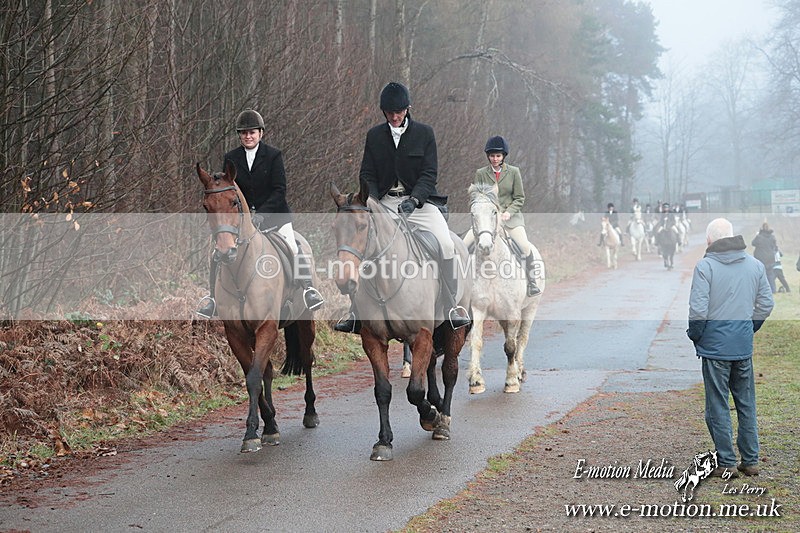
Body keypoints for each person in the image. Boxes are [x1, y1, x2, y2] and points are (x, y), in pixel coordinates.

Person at [334, 82, 470, 332]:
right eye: (389, 113)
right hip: (384, 203)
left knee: (447, 243)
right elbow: (367, 172)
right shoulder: (374, 136)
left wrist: (415, 200)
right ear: (383, 111)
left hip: (420, 203)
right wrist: (372, 201)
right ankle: (355, 311)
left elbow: (429, 174)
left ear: (407, 109)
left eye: (398, 112)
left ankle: (452, 307)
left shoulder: (424, 133)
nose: (394, 117)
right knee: (363, 244)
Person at [197, 109, 324, 318]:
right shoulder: (231, 158)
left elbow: (279, 190)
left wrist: (262, 214)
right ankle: (212, 298)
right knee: (217, 252)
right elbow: (229, 191)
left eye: (252, 132)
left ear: (260, 133)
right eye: (244, 132)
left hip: (275, 216)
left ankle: (309, 288)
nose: (248, 136)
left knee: (293, 245)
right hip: (243, 221)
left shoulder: (274, 155)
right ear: (240, 135)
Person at [687, 218, 774, 479]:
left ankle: (725, 462)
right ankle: (750, 460)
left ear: (709, 241)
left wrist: (696, 336)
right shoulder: (755, 265)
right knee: (746, 404)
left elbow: (698, 310)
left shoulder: (705, 267)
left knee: (717, 405)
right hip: (742, 347)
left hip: (715, 350)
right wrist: (749, 328)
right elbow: (766, 304)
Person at [462, 135, 540, 296]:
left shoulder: (513, 172)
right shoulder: (481, 173)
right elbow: (477, 197)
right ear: (488, 156)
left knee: (525, 247)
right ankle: (462, 285)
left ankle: (532, 283)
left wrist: (508, 212)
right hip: (486, 220)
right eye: (492, 156)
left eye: (498, 156)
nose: (495, 159)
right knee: (463, 245)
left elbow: (520, 197)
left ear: (503, 156)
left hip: (510, 219)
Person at [751, 222, 778, 293]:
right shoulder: (772, 237)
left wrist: (757, 235)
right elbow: (775, 247)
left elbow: (753, 243)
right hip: (770, 258)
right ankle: (773, 290)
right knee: (770, 275)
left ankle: (761, 290)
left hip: (760, 258)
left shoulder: (759, 237)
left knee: (761, 275)